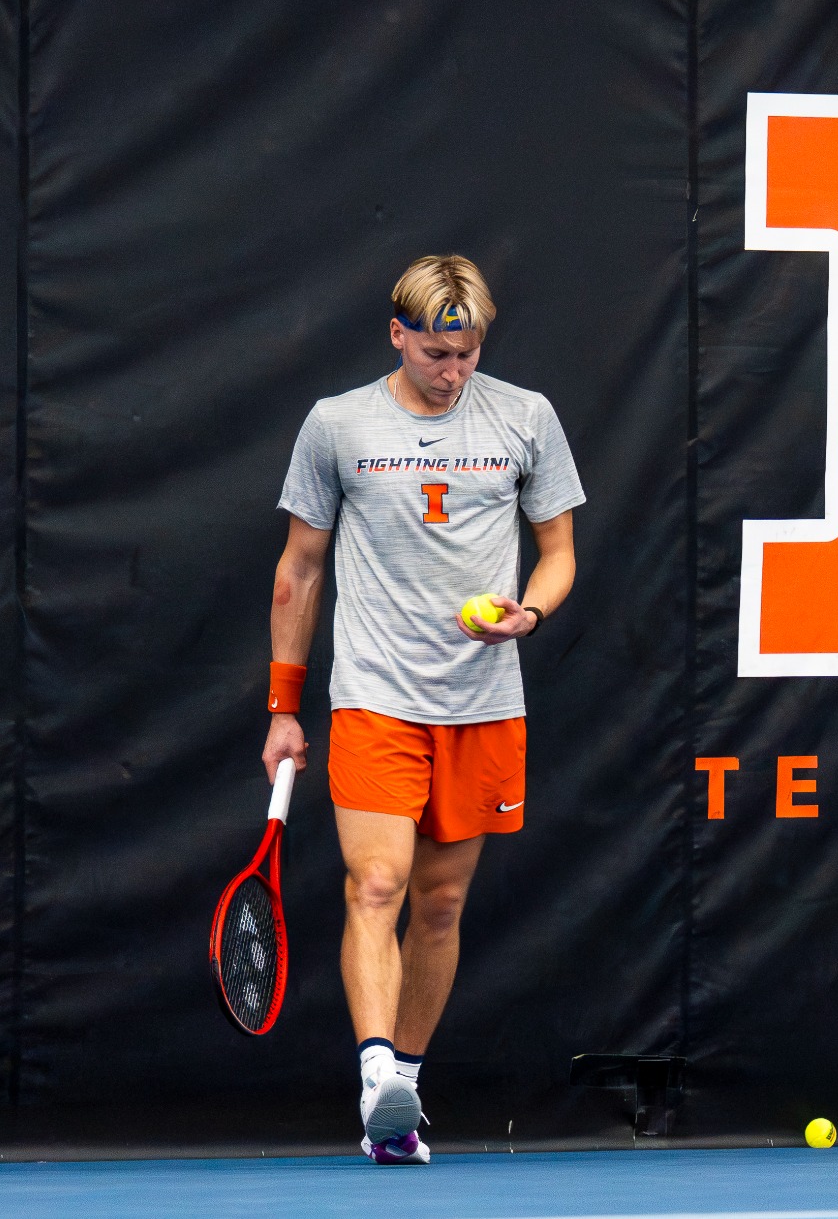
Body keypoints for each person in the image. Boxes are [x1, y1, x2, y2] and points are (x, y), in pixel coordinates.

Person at [261, 254, 582, 1164]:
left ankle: (404, 1086)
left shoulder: (526, 418)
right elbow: (300, 568)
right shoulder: (337, 425)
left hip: (483, 703)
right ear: (397, 334)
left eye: (469, 353)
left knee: (439, 905)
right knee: (378, 884)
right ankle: (377, 1083)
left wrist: (530, 611)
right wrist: (285, 707)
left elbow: (558, 553)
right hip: (374, 693)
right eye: (438, 353)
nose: (455, 371)